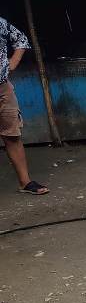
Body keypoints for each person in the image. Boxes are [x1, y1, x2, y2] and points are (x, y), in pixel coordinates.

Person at [0, 16, 47, 195]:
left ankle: (25, 182)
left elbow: (21, 39)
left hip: (2, 87)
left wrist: (13, 62)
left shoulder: (0, 23)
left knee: (12, 134)